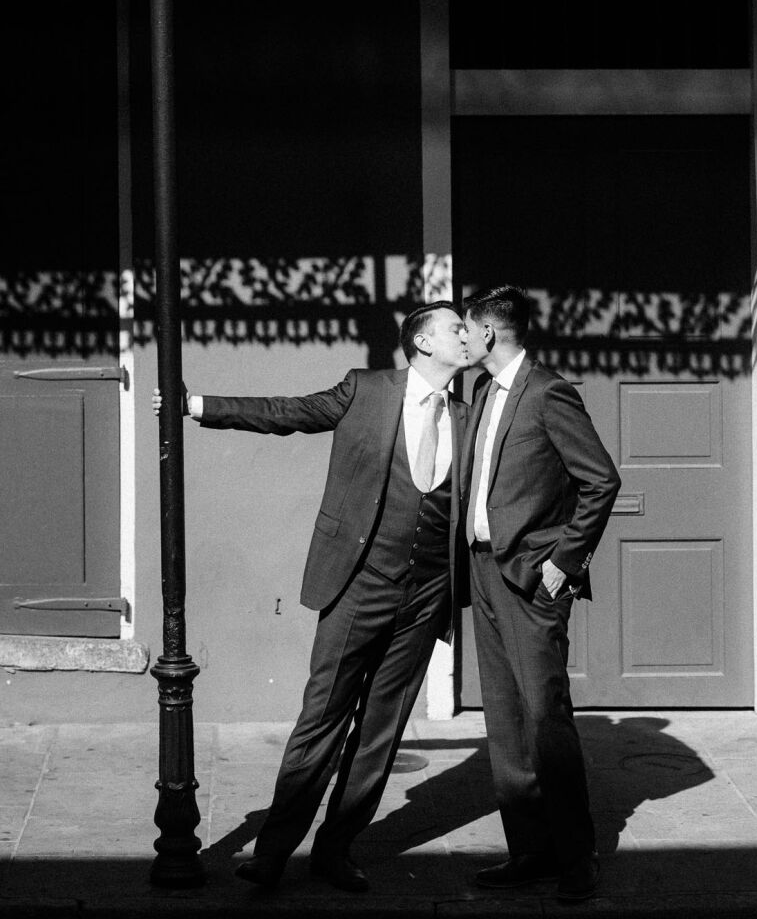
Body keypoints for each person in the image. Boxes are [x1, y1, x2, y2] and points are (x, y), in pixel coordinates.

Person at [152, 301, 469, 890]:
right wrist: (195, 406)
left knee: (381, 728)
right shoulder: (366, 390)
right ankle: (272, 852)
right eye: (455, 328)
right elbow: (290, 412)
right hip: (358, 581)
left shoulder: (468, 414)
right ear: (423, 343)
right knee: (322, 716)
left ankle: (335, 849)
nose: (467, 336)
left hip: (428, 594)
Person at [460, 284, 620, 904]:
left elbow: (600, 479)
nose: (464, 340)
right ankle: (529, 849)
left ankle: (577, 858)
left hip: (532, 578)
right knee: (503, 718)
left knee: (545, 717)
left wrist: (564, 559)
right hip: (483, 570)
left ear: (491, 334)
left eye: (468, 330)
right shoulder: (480, 391)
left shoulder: (548, 392)